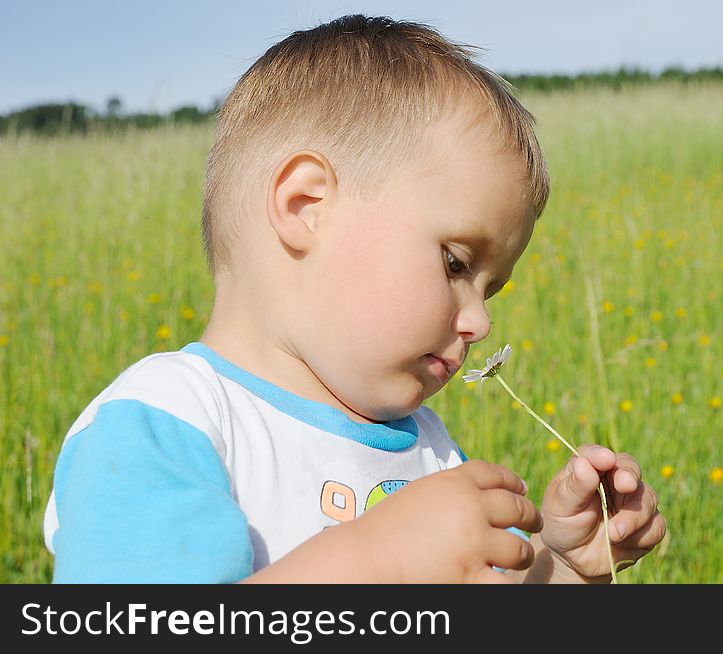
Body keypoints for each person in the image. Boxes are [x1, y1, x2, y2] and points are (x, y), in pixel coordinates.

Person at [43, 14, 665, 583]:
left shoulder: (426, 449)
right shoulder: (168, 423)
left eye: (490, 289)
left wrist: (568, 567)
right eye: (455, 263)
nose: (480, 320)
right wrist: (375, 559)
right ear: (306, 207)